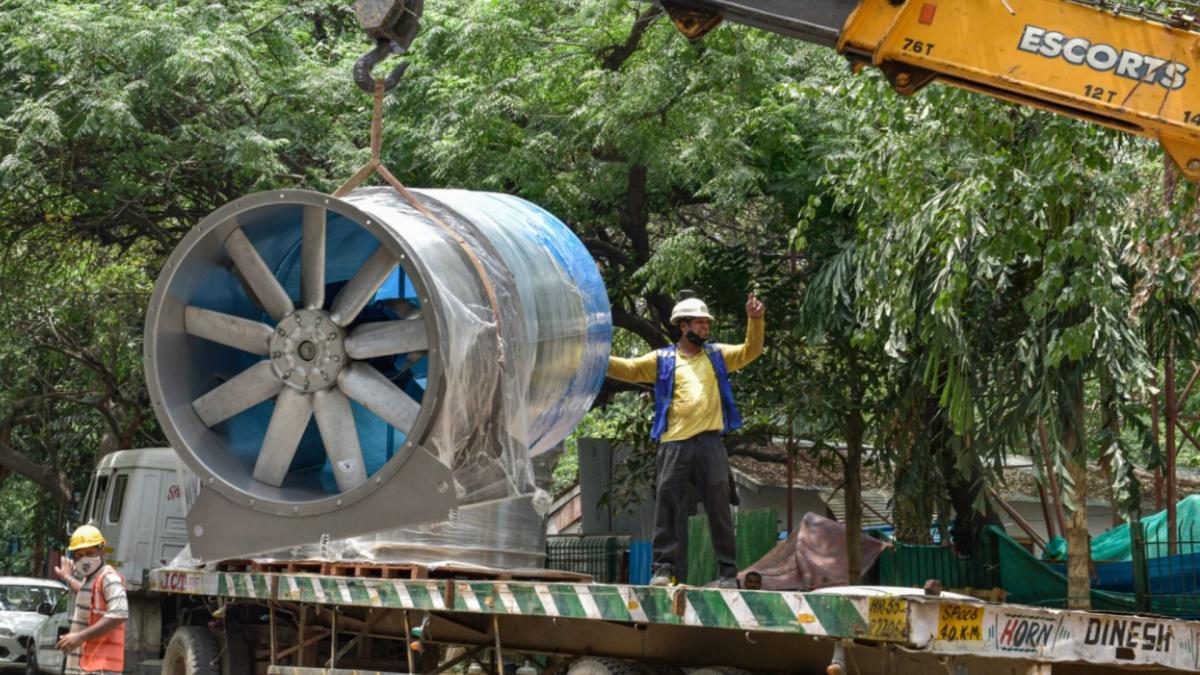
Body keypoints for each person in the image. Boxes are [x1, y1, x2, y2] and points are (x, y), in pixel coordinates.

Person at [607, 293, 765, 587]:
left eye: (707, 323)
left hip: (710, 443)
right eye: (700, 323)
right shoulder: (663, 359)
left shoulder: (716, 356)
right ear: (683, 326)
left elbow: (750, 351)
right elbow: (628, 369)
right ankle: (663, 571)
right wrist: (597, 358)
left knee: (719, 508)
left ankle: (728, 574)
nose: (706, 328)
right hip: (674, 444)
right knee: (667, 506)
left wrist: (755, 320)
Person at [53, 525, 128, 675]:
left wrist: (80, 637)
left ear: (101, 550)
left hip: (100, 666)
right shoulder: (93, 579)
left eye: (89, 553)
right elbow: (84, 593)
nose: (84, 559)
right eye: (79, 555)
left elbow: (119, 613)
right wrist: (67, 578)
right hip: (89, 665)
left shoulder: (109, 578)